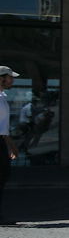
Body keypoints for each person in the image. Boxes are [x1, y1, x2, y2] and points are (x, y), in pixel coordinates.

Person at [0, 66, 17, 225]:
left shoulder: (2, 96)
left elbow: (3, 126)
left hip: (1, 141)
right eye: (10, 77)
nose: (12, 80)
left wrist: (10, 145)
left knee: (3, 175)